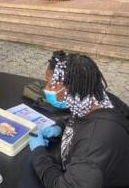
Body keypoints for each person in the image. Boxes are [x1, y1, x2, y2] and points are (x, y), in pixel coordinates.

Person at [29, 51, 129, 188]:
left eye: (50, 84)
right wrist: (60, 127)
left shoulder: (94, 145)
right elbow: (79, 118)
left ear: (69, 88)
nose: (45, 89)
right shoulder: (95, 99)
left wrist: (39, 154)